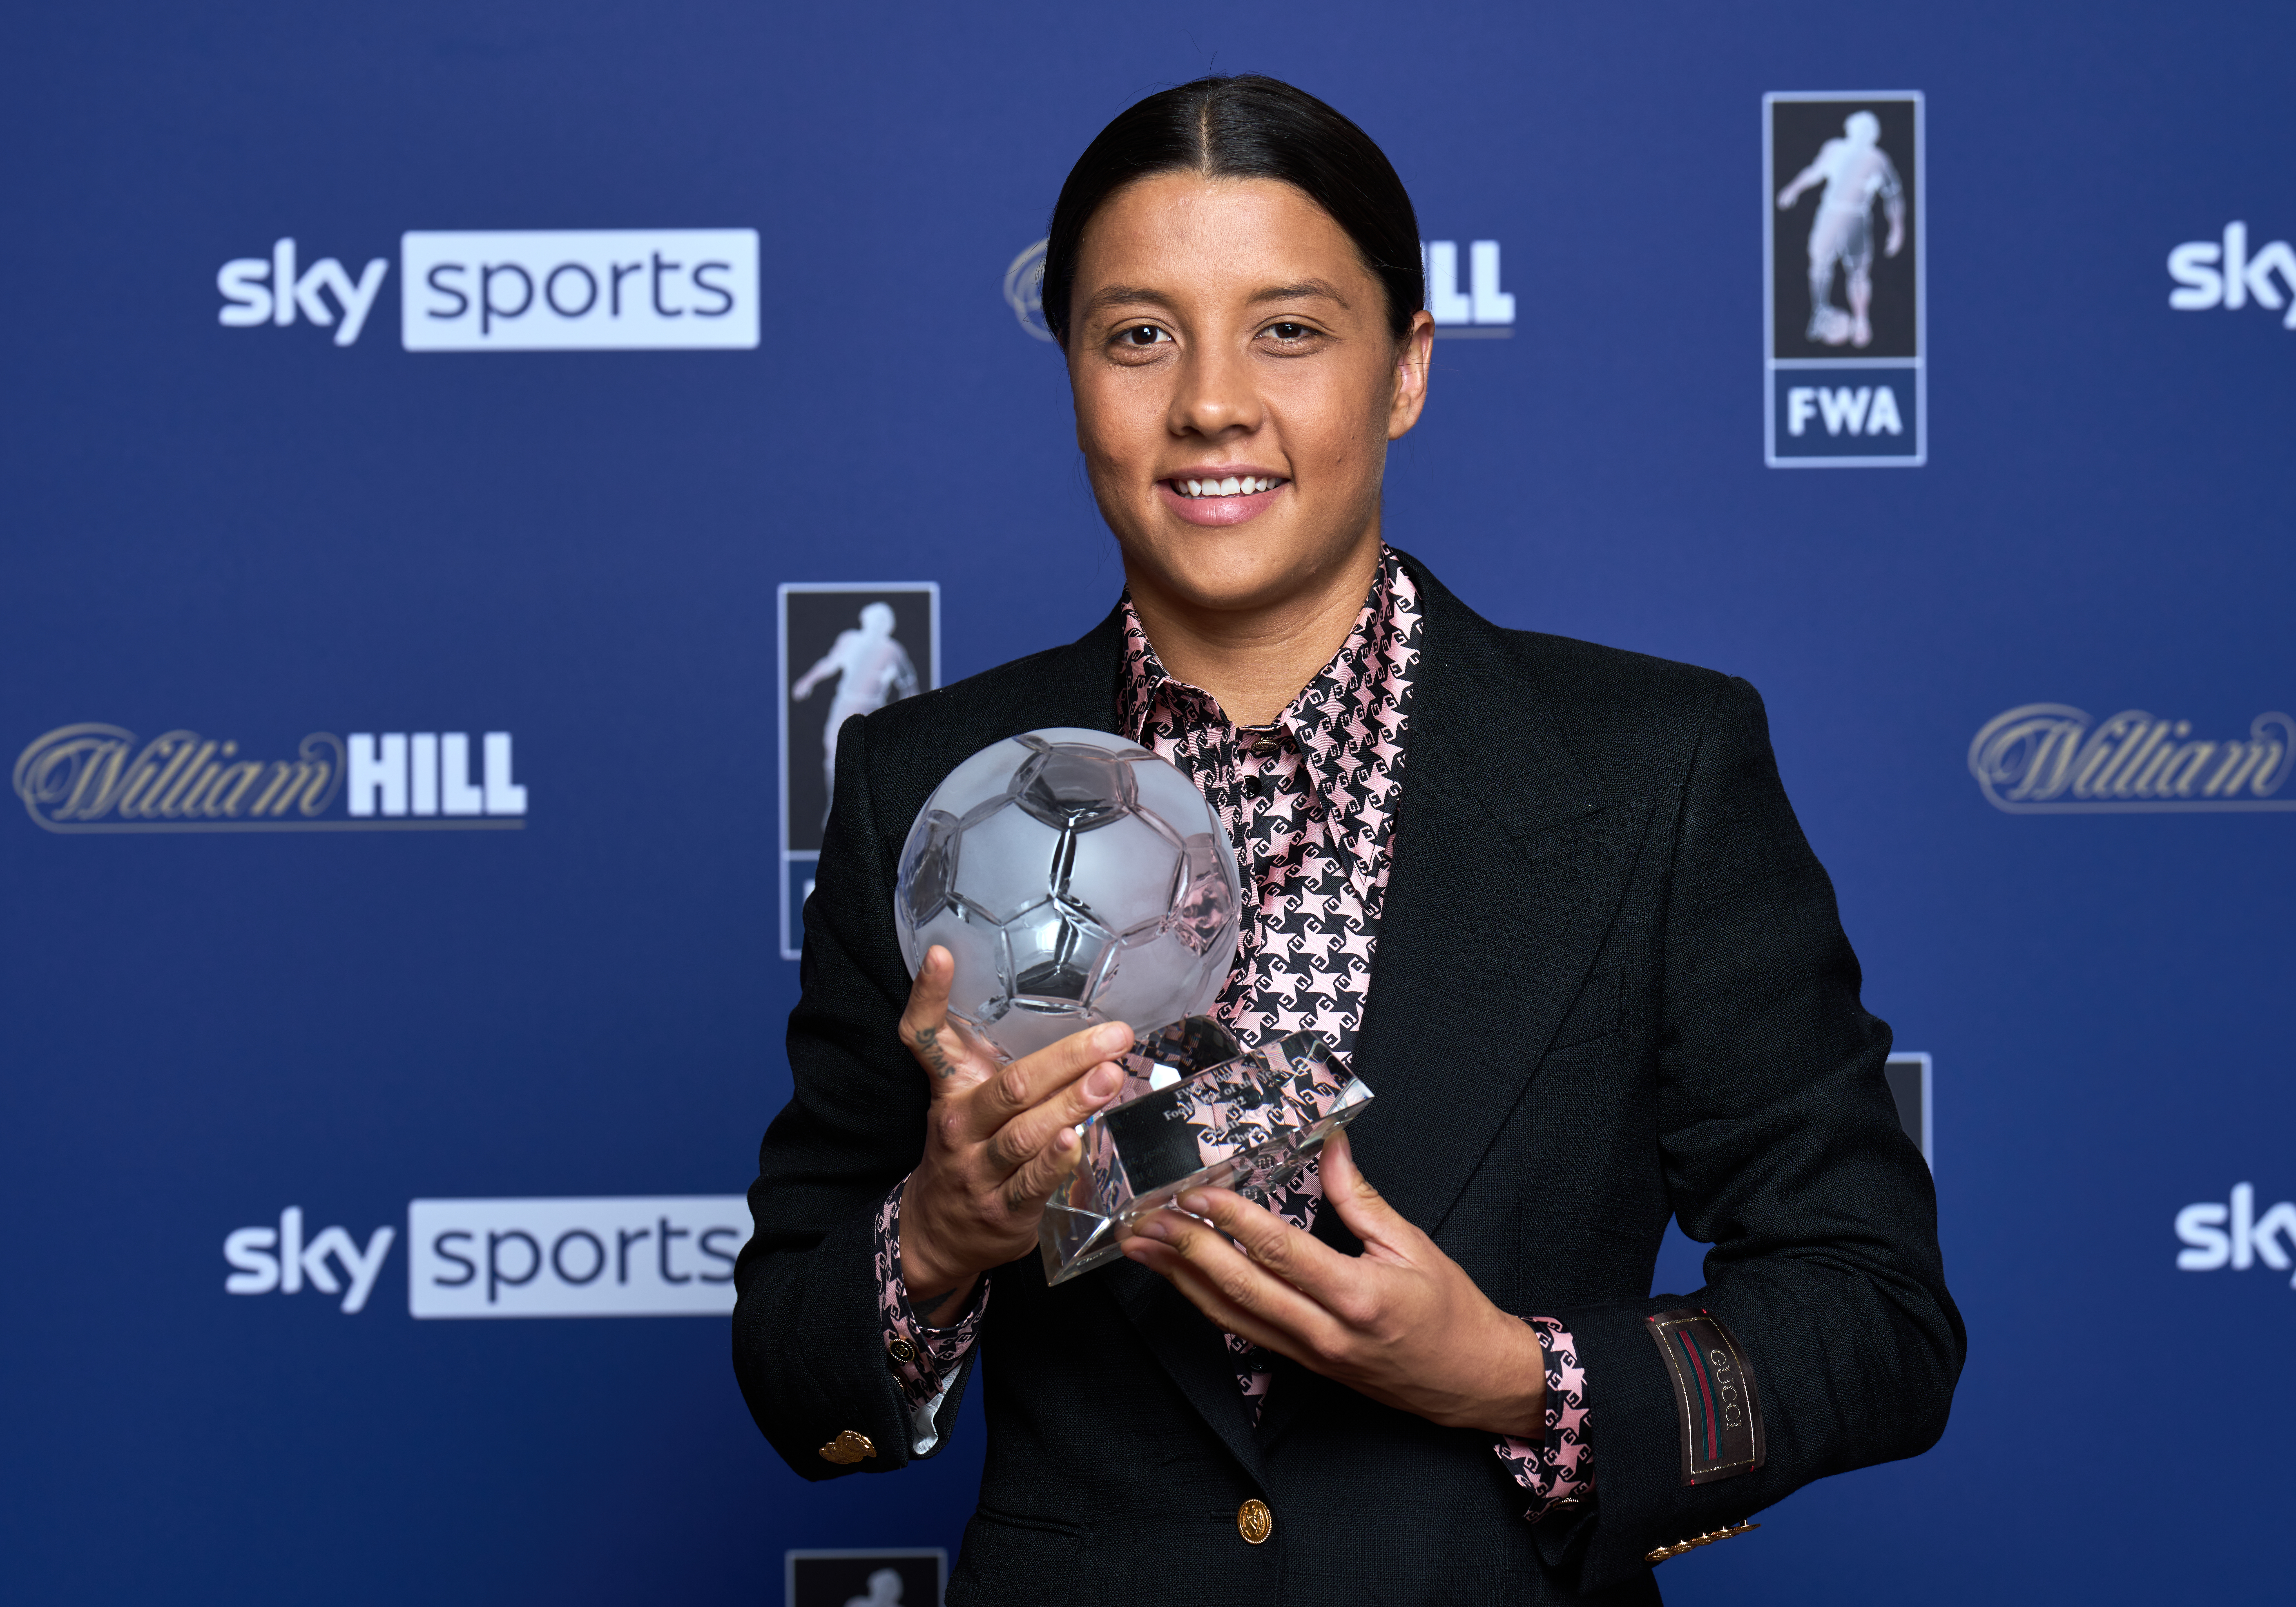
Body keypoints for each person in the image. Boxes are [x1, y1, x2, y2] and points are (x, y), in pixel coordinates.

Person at [735, 76, 1960, 1605]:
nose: (1209, 402)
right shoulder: (922, 781)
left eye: (1288, 329)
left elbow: (1875, 1313)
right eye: (1138, 333)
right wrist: (934, 1230)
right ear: (1069, 370)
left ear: (1406, 370)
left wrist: (1520, 1376)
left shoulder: (1658, 767)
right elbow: (795, 1370)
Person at [1777, 110, 1905, 348]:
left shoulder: (1878, 160)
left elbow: (1894, 197)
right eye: (1858, 131)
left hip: (1857, 218)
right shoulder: (1835, 149)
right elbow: (1815, 173)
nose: (1862, 136)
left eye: (1867, 132)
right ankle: (1819, 311)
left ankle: (1862, 321)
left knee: (1858, 272)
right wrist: (1793, 189)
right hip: (1830, 215)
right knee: (1819, 265)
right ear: (1849, 131)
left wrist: (1897, 229)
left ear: (1874, 136)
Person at [793, 601, 920, 820]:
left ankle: (871, 814)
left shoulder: (893, 651)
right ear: (865, 620)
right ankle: (833, 809)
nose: (877, 625)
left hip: (872, 709)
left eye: (883, 621)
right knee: (833, 753)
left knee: (873, 759)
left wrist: (912, 712)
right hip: (845, 705)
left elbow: (908, 683)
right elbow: (830, 664)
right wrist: (807, 681)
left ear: (889, 626)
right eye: (874, 620)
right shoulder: (850, 640)